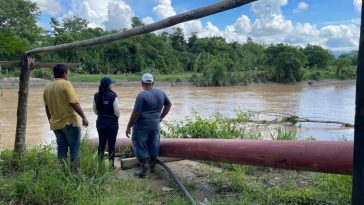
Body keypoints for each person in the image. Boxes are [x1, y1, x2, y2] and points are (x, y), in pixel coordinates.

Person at [43, 64, 89, 172]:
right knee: (75, 148)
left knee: (62, 150)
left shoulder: (47, 88)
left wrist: (50, 120)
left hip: (56, 125)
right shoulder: (66, 84)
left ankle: (63, 173)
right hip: (70, 123)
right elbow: (74, 102)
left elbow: (47, 108)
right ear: (65, 74)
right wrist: (84, 117)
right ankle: (75, 175)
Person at [126, 73, 172, 178]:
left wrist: (129, 126)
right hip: (155, 124)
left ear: (142, 83)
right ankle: (152, 166)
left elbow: (136, 113)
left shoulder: (141, 96)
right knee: (153, 144)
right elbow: (168, 105)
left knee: (139, 144)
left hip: (142, 126)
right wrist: (161, 117)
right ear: (153, 83)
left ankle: (144, 170)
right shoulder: (161, 93)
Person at [93, 77, 119, 167]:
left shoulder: (96, 95)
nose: (112, 85)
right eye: (111, 83)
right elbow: (117, 112)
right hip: (112, 123)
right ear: (108, 85)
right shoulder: (113, 96)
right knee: (112, 144)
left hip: (100, 122)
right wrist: (115, 119)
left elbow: (95, 110)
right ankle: (111, 165)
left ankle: (100, 164)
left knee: (101, 143)